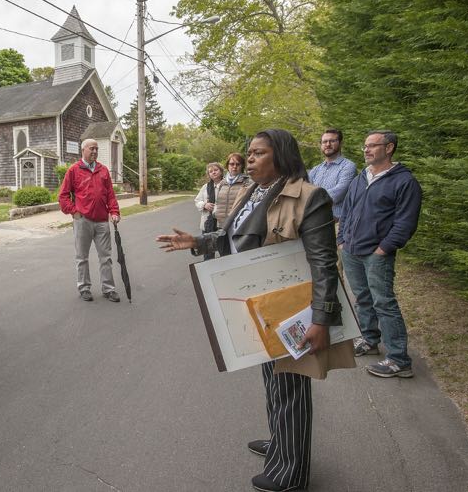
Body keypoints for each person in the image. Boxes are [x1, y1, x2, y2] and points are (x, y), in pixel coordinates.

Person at [157, 129, 355, 492]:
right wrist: (199, 241)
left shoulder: (310, 197)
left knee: (291, 384)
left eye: (258, 153)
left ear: (280, 156)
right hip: (258, 304)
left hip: (293, 309)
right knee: (273, 381)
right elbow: (236, 237)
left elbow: (325, 263)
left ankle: (291, 473)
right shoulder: (255, 191)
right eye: (249, 153)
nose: (249, 159)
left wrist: (321, 318)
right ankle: (281, 444)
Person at [339, 130, 422, 378]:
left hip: (377, 254)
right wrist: (342, 239)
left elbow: (405, 222)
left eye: (372, 146)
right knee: (362, 298)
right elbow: (347, 210)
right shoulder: (360, 177)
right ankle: (369, 339)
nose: (366, 150)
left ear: (389, 148)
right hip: (351, 250)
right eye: (365, 146)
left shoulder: (404, 181)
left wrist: (383, 248)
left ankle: (399, 359)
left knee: (383, 303)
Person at [58, 138, 121, 302]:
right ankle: (84, 288)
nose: (94, 151)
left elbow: (110, 195)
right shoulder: (73, 170)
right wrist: (73, 211)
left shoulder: (103, 170)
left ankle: (108, 289)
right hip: (83, 221)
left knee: (105, 257)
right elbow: (63, 196)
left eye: (96, 149)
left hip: (102, 221)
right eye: (92, 148)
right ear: (83, 150)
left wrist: (114, 211)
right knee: (82, 257)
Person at [308, 129, 357, 222]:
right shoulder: (315, 170)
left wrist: (311, 199)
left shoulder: (348, 166)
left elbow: (337, 195)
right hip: (314, 221)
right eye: (324, 142)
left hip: (338, 223)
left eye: (332, 141)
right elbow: (306, 192)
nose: (328, 144)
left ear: (341, 143)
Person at [214, 152, 252, 227]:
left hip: (238, 225)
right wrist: (215, 213)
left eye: (238, 164)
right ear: (227, 166)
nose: (234, 167)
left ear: (242, 166)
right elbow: (217, 201)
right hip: (221, 224)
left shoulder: (248, 182)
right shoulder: (222, 183)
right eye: (231, 164)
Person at [194, 162, 225, 232]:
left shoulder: (227, 185)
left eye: (216, 170)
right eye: (211, 171)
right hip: (207, 223)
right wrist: (204, 205)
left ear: (221, 171)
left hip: (222, 223)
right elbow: (197, 201)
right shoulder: (205, 187)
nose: (213, 172)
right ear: (209, 175)